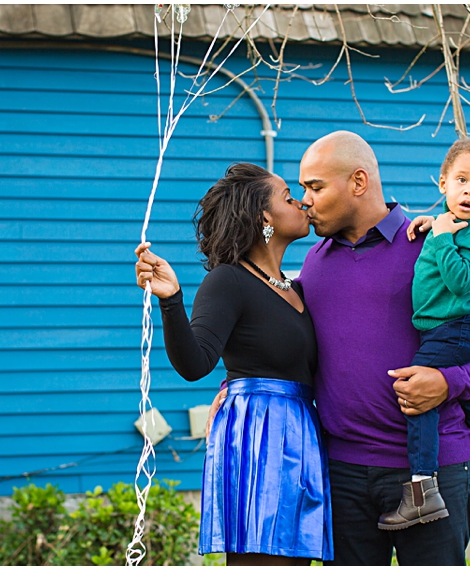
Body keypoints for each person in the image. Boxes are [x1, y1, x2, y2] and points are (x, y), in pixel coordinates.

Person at [207, 131, 470, 565]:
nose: (305, 200)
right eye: (301, 189)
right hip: (342, 472)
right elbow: (278, 335)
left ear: (358, 182)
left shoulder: (431, 241)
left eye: (314, 187)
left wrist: (450, 382)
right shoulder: (315, 261)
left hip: (431, 472)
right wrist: (240, 384)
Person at [135, 163, 333, 565]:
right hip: (258, 438)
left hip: (302, 434)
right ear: (264, 217)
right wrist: (171, 299)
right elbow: (196, 363)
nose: (300, 203)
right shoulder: (229, 280)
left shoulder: (297, 287)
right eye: (287, 196)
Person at [377, 137, 470, 531]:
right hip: (449, 328)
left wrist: (441, 236)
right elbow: (447, 239)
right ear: (443, 182)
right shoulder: (451, 226)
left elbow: (462, 282)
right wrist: (434, 225)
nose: (469, 190)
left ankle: (422, 490)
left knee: (418, 391)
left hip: (461, 328)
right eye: (462, 179)